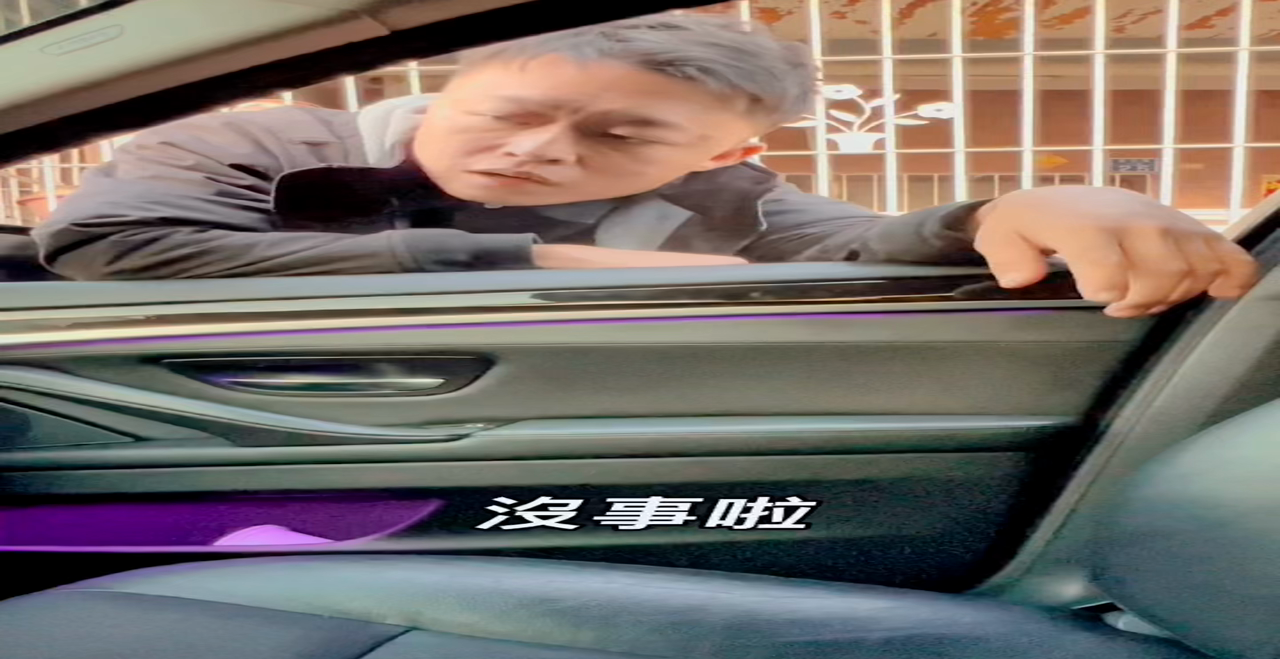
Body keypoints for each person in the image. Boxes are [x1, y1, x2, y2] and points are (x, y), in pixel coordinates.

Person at [32, 14, 1256, 318]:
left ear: (728, 151)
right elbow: (107, 246)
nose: (538, 151)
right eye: (512, 113)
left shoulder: (731, 196)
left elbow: (854, 247)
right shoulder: (259, 140)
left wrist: (1029, 202)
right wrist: (530, 260)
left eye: (619, 139)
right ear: (452, 84)